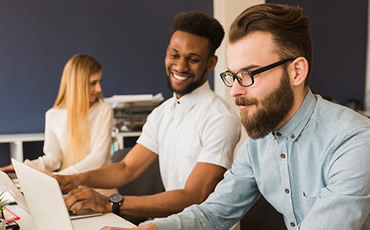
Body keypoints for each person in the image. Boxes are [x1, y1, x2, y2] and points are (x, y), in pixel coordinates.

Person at [106, 3, 370, 230]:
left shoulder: (355, 142)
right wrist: (152, 228)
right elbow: (213, 213)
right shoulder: (258, 144)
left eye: (249, 74)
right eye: (233, 75)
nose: (234, 90)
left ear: (297, 72)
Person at [55, 11, 241, 227]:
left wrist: (111, 203)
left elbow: (194, 195)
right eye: (174, 55)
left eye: (193, 59)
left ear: (211, 63)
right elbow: (126, 168)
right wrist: (72, 180)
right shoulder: (162, 113)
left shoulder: (221, 118)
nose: (180, 66)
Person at [1, 54, 113, 175]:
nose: (99, 89)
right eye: (93, 83)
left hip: (99, 187)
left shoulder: (104, 110)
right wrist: (24, 167)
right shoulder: (52, 115)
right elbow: (53, 159)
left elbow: (99, 158)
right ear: (77, 84)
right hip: (72, 187)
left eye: (99, 82)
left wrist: (61, 177)